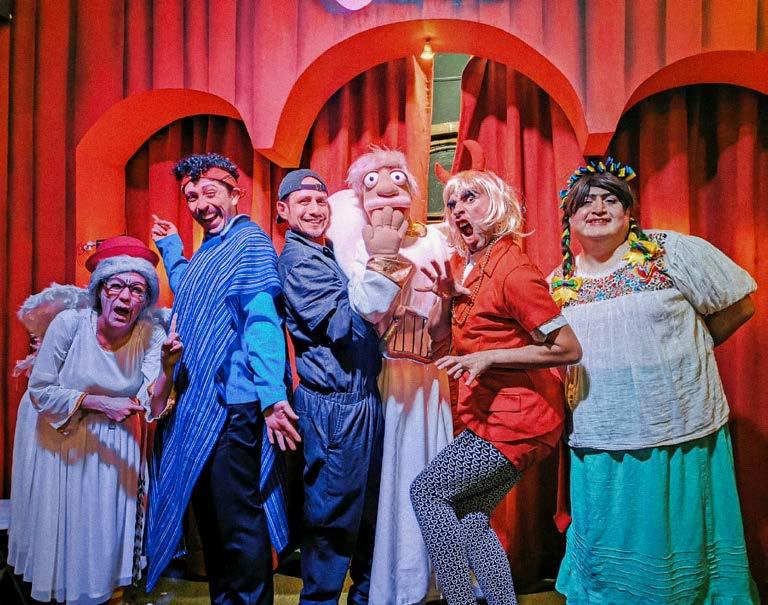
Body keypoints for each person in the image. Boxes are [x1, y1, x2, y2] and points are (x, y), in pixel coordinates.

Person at [549, 158, 759, 604]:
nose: (598, 208)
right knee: (609, 543)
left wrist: (683, 357)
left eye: (611, 200)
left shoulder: (671, 252)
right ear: (569, 219)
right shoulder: (557, 282)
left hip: (680, 426)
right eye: (585, 202)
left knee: (681, 534)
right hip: (602, 434)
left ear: (629, 213)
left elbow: (739, 304)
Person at [410, 169, 581, 605]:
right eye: (452, 203)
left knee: (427, 492)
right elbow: (438, 342)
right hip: (489, 415)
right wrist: (446, 297)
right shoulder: (461, 267)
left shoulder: (514, 271)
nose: (458, 209)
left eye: (471, 197)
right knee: (470, 518)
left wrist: (490, 357)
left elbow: (567, 347)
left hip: (520, 418)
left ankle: (460, 601)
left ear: (498, 205)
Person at [147, 153, 299, 604]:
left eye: (210, 192)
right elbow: (195, 294)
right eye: (191, 196)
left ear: (236, 194)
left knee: (237, 524)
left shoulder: (248, 243)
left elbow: (262, 321)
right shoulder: (211, 248)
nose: (200, 204)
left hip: (234, 408)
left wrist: (271, 397)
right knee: (212, 522)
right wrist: (172, 250)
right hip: (199, 404)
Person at [8, 236, 181, 605]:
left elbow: (152, 404)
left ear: (146, 299)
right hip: (60, 435)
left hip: (114, 442)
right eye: (115, 286)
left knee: (104, 530)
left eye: (137, 289)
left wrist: (168, 369)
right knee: (65, 527)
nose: (125, 297)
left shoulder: (151, 335)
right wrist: (100, 403)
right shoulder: (70, 324)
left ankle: (104, 593)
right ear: (100, 291)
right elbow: (41, 389)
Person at [276, 169, 409, 604]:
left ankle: (364, 597)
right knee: (331, 518)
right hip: (334, 406)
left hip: (362, 398)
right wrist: (382, 264)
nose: (315, 209)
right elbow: (344, 328)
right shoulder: (299, 261)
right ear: (283, 210)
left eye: (320, 201)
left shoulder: (327, 252)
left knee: (369, 513)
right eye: (304, 202)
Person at [340, 148, 454, 605]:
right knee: (395, 482)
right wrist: (382, 257)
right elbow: (367, 309)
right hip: (389, 379)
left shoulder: (436, 239)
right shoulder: (356, 247)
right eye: (373, 183)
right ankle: (398, 585)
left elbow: (453, 304)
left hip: (433, 378)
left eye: (396, 179)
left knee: (435, 476)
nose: (386, 190)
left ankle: (439, 581)